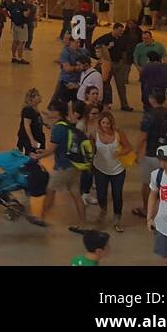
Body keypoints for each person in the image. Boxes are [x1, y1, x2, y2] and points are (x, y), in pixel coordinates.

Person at [42, 99, 89, 233]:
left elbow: (51, 149)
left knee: (50, 190)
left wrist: (38, 156)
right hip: (75, 164)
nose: (49, 112)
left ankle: (41, 217)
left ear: (57, 112)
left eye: (51, 110)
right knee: (76, 194)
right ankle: (83, 223)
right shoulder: (68, 124)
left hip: (63, 166)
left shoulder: (58, 128)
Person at [91, 110, 132, 234]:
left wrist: (120, 153)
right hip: (100, 169)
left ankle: (117, 219)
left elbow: (129, 147)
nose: (105, 125)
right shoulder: (94, 134)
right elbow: (90, 148)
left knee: (117, 195)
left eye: (108, 123)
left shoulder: (118, 133)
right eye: (103, 123)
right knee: (101, 194)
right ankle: (103, 211)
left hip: (117, 170)